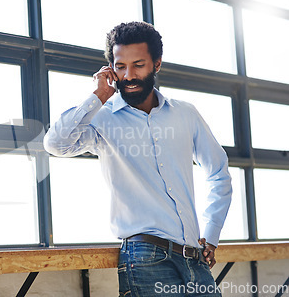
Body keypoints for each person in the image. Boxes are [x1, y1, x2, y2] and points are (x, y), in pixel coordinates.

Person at [43, 21, 232, 296]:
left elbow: (219, 174)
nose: (128, 75)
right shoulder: (102, 119)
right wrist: (98, 96)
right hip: (145, 258)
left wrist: (211, 236)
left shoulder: (186, 114)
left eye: (138, 65)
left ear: (157, 64)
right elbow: (55, 143)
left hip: (196, 259)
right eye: (121, 66)